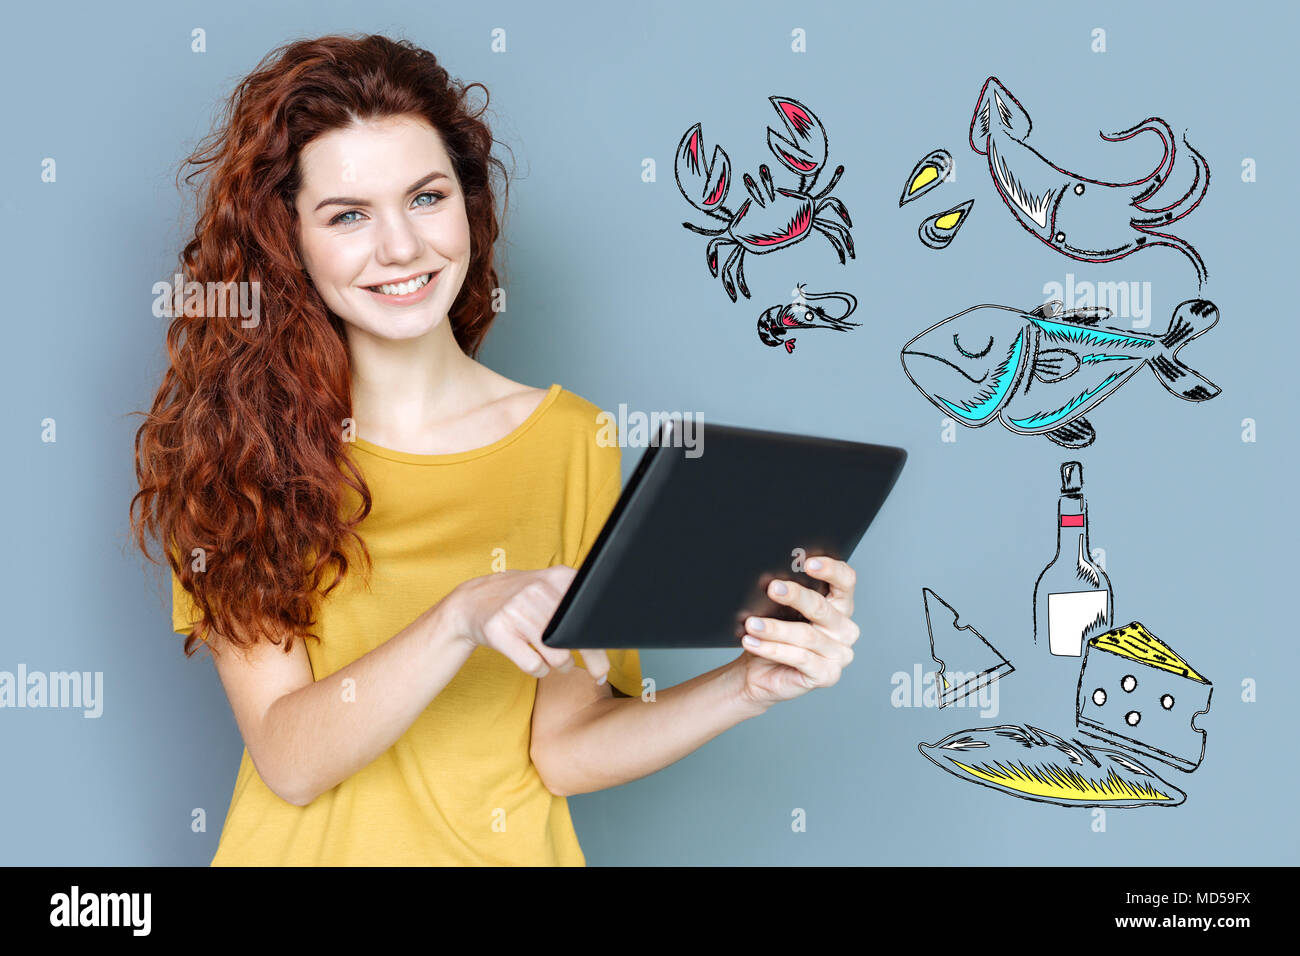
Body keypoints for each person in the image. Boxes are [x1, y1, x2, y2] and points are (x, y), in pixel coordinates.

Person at [129, 33, 861, 866]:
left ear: (467, 206)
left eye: (426, 197)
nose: (401, 247)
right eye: (348, 215)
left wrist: (747, 685)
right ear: (286, 236)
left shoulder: (572, 440)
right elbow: (290, 760)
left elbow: (563, 746)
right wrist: (461, 615)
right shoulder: (238, 452)